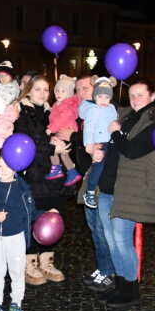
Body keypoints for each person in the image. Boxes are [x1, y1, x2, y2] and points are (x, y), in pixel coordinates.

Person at [94, 80, 155, 308]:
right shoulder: (128, 117)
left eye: (140, 95)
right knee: (112, 241)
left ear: (151, 97)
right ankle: (120, 285)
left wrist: (116, 132)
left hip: (128, 190)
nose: (135, 99)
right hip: (109, 187)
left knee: (122, 241)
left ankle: (131, 289)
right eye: (131, 95)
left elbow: (132, 150)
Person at [13, 76, 70, 285]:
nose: (42, 93)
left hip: (54, 177)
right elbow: (27, 143)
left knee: (53, 217)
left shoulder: (54, 112)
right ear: (28, 90)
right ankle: (30, 264)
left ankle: (47, 262)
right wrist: (51, 148)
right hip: (34, 176)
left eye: (46, 89)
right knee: (32, 219)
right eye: (38, 89)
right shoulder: (22, 114)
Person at [0, 151, 43, 311]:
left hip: (16, 236)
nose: (3, 170)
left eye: (7, 166)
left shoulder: (22, 188)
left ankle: (16, 304)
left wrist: (45, 214)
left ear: (15, 166)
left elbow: (31, 211)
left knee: (16, 271)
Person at [70, 75, 115, 291]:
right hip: (87, 179)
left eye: (85, 88)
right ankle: (103, 266)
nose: (82, 93)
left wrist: (78, 139)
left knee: (103, 228)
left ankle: (109, 271)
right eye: (78, 90)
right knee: (94, 229)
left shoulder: (107, 111)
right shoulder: (86, 113)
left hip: (102, 182)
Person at [78, 77, 119, 208]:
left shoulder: (111, 108)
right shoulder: (93, 110)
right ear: (95, 97)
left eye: (106, 97)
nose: (103, 100)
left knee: (108, 166)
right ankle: (90, 191)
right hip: (99, 142)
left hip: (110, 141)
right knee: (98, 167)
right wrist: (89, 144)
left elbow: (114, 122)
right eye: (100, 96)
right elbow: (89, 128)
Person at [45, 76, 81, 187]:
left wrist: (51, 128)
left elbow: (62, 119)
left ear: (69, 93)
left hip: (65, 130)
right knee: (63, 153)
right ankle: (71, 172)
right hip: (61, 131)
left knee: (53, 146)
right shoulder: (57, 104)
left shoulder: (67, 105)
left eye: (63, 91)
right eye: (57, 91)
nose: (59, 93)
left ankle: (57, 168)